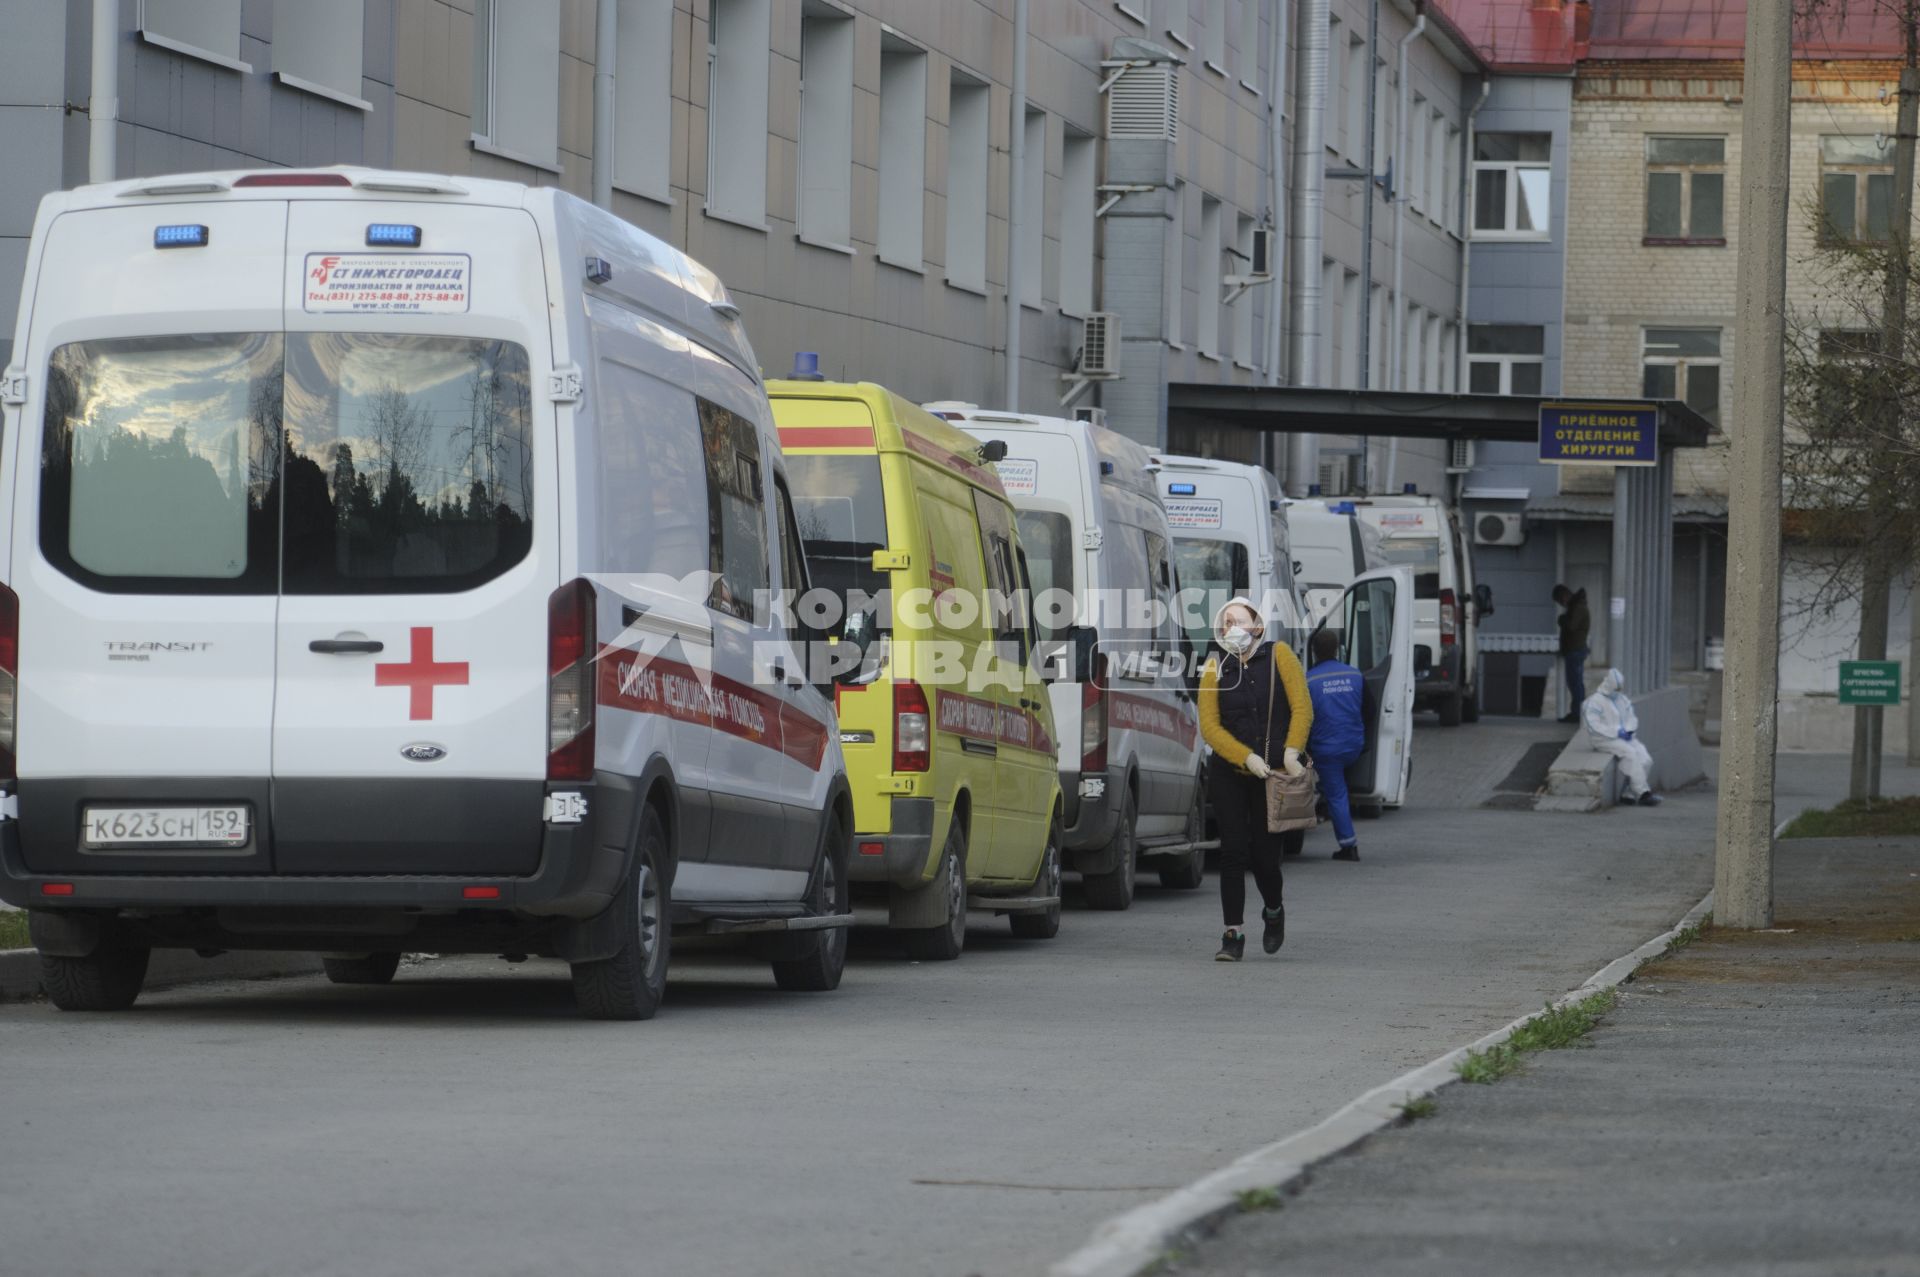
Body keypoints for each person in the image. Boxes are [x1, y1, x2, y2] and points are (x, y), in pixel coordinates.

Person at [1198, 596, 1312, 961]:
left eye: (1238, 620)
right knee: (1232, 852)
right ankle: (1232, 935)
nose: (1232, 628)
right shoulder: (1214, 666)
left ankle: (1274, 911)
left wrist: (1291, 751)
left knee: (1265, 858)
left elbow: (1302, 707)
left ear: (1258, 626)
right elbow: (1209, 727)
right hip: (1230, 772)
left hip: (1273, 774)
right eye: (1225, 622)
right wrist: (1245, 757)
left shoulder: (1280, 656)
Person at [1305, 628, 1368, 862]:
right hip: (1354, 744)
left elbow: (1304, 717)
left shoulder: (1309, 679)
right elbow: (1368, 710)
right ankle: (1326, 803)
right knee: (1339, 789)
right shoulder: (1355, 675)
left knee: (1337, 794)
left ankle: (1348, 846)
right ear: (1337, 649)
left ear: (1314, 651)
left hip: (1327, 750)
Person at [1583, 668, 1662, 807]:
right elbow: (1593, 726)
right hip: (1603, 739)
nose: (1618, 691)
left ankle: (1628, 794)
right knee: (1630, 754)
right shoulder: (1594, 702)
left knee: (1646, 759)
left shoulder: (1622, 699)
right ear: (1609, 685)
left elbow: (1631, 718)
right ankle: (1644, 794)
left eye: (1620, 688)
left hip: (1624, 738)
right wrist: (1616, 732)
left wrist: (1629, 730)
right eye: (1616, 688)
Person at [1554, 584, 1591, 723]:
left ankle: (1578, 713)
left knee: (1575, 684)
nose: (1561, 604)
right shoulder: (1577, 606)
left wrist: (1561, 619)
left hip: (1575, 650)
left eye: (1560, 600)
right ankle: (1577, 712)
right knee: (1575, 683)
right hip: (1574, 650)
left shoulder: (1578, 607)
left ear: (1564, 596)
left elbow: (1571, 626)